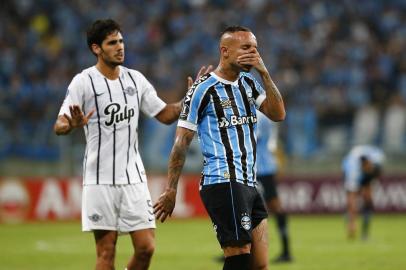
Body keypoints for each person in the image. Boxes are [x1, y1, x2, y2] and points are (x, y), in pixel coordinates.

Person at [53, 19, 211, 270]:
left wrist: (190, 98)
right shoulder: (83, 82)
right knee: (106, 253)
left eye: (121, 41)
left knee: (146, 247)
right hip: (99, 179)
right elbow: (59, 124)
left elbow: (166, 114)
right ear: (97, 48)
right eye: (112, 43)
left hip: (133, 178)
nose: (120, 47)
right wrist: (70, 125)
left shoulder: (135, 80)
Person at [153, 26, 285, 270]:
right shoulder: (203, 90)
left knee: (260, 264)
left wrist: (265, 73)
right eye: (246, 48)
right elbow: (181, 142)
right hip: (223, 180)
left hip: (249, 182)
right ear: (225, 51)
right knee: (239, 256)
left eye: (255, 49)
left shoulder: (250, 83)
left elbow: (278, 114)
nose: (253, 54)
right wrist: (171, 189)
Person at [255, 111, 292, 263]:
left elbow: (251, 138)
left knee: (275, 207)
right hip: (255, 167)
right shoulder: (257, 113)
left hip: (261, 167)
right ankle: (235, 251)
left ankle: (286, 251)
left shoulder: (258, 115)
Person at [342, 145, 385, 240]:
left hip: (367, 171)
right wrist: (352, 222)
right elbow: (352, 198)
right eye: (367, 167)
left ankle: (365, 233)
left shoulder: (378, 157)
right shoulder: (352, 170)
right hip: (351, 170)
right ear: (364, 165)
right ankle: (350, 221)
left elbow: (377, 171)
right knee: (353, 201)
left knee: (368, 200)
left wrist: (371, 177)